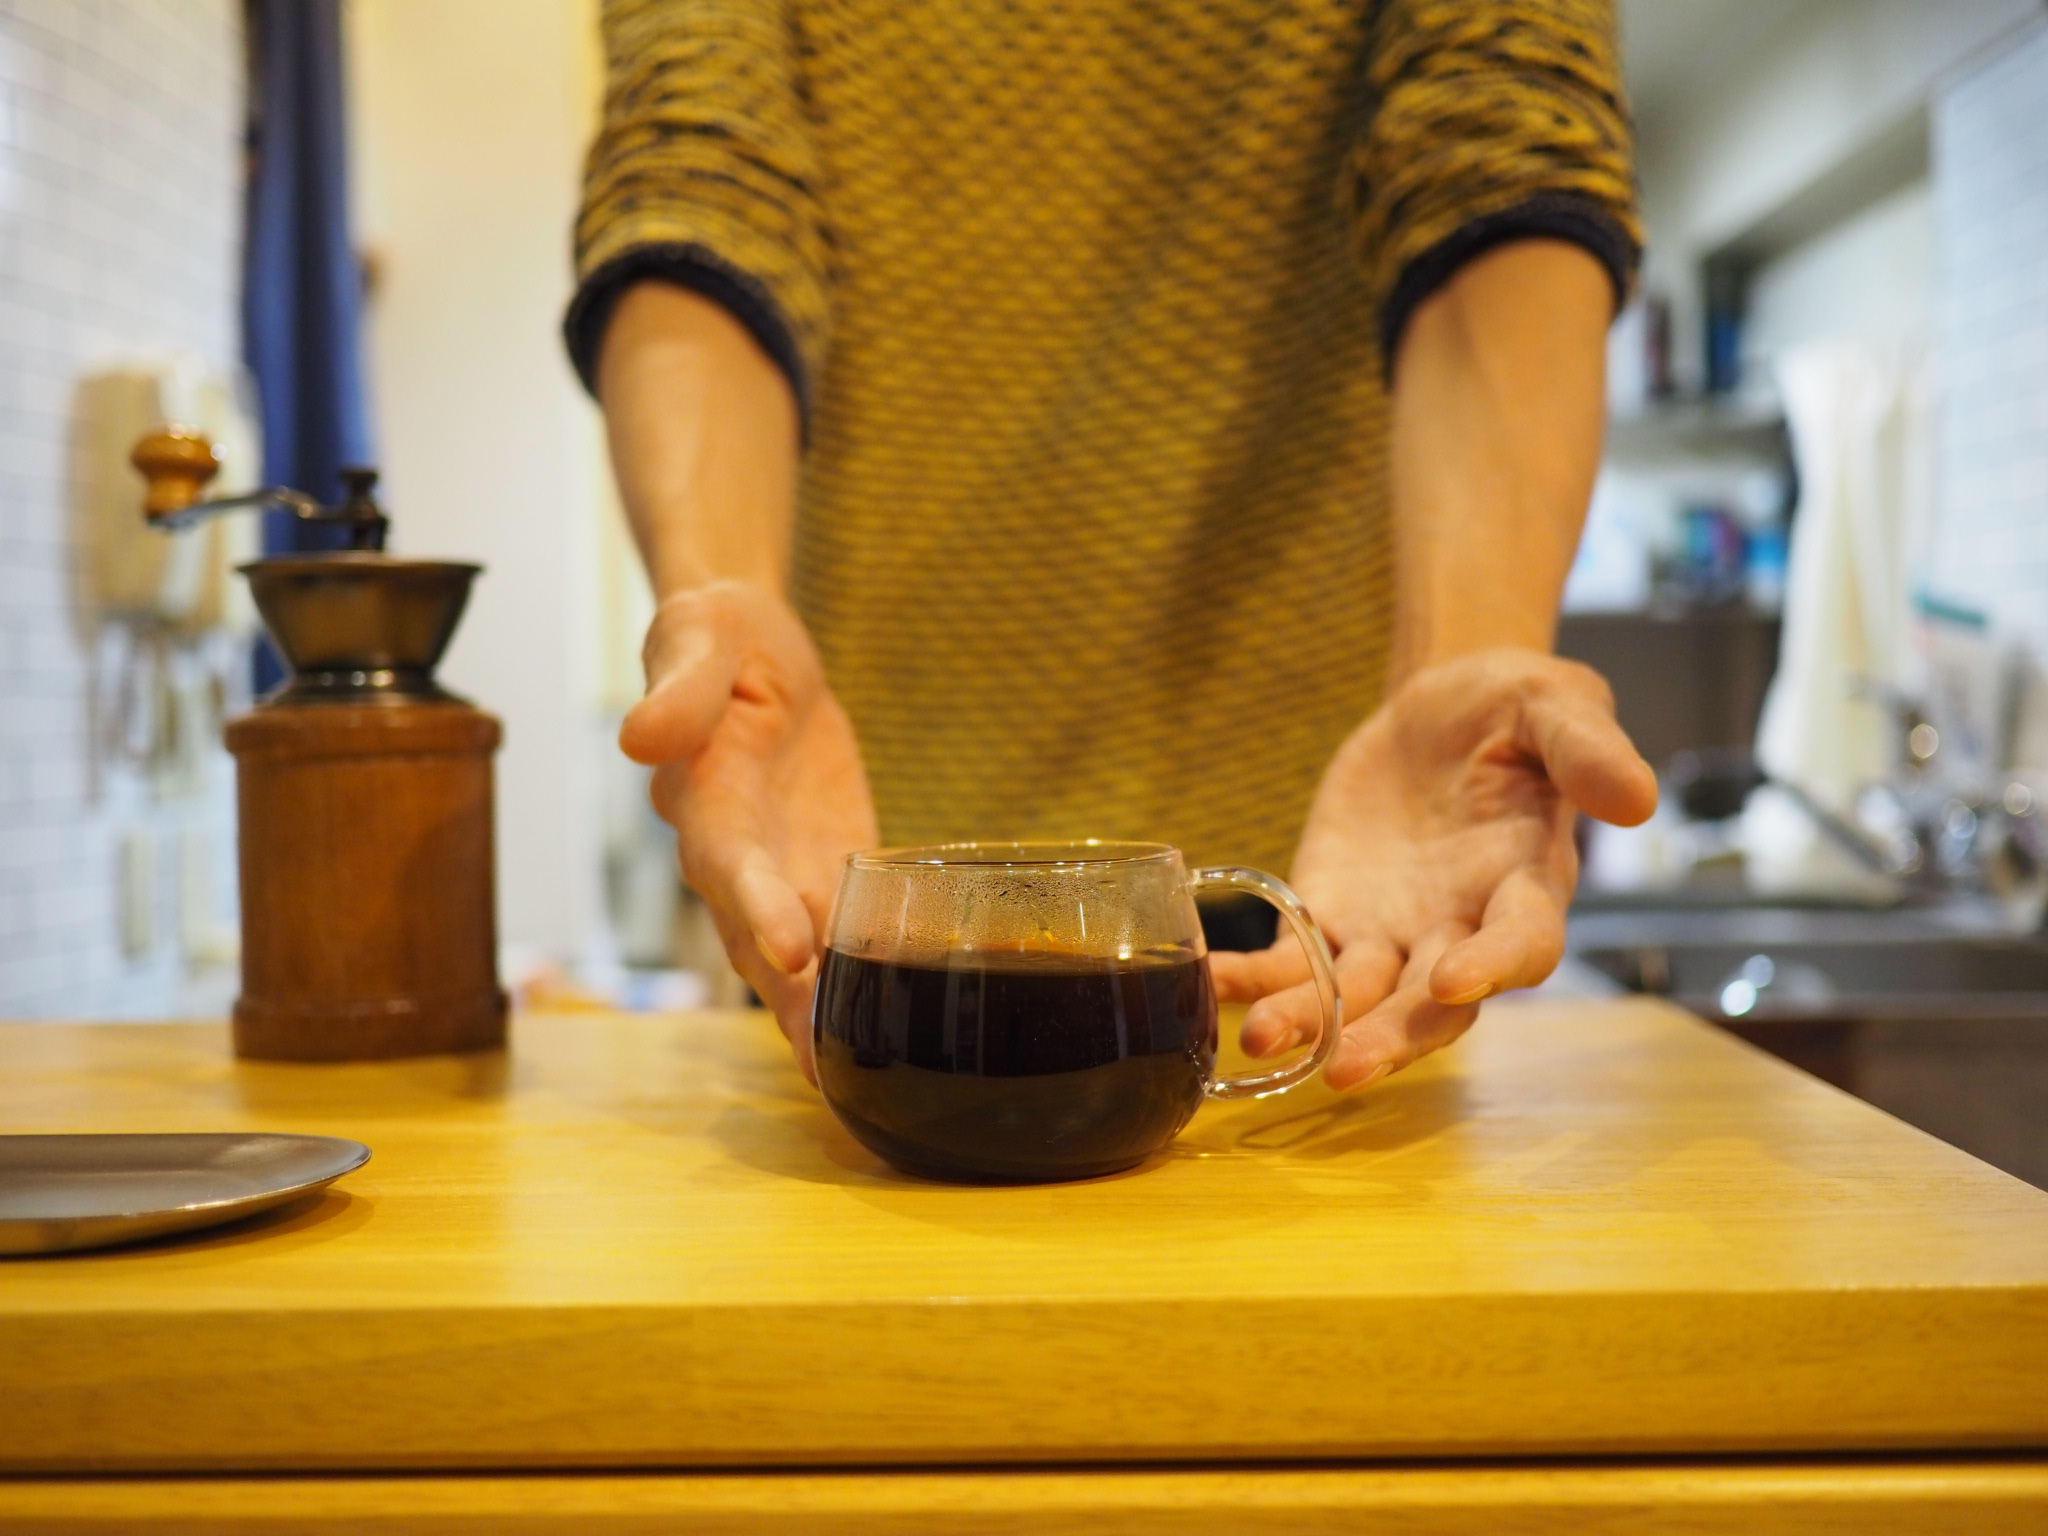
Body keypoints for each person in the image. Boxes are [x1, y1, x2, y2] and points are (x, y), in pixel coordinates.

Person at [567, 0, 1660, 1090]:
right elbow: (694, 167)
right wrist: (723, 603)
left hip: (1349, 912)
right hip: (836, 887)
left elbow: (1496, 139)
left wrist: (1462, 659)